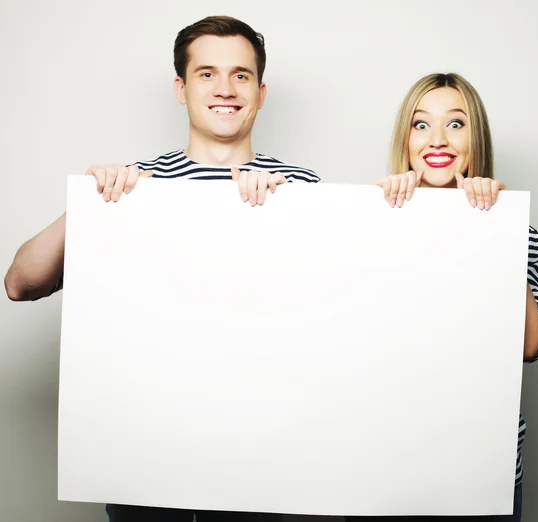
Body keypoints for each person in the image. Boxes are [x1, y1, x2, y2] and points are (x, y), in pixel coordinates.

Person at [4, 15, 319, 522]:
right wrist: (91, 203)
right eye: (206, 73)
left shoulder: (304, 189)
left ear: (260, 92)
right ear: (181, 87)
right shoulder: (134, 188)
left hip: (261, 458)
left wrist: (290, 219)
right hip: (147, 457)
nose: (225, 88)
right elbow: (21, 283)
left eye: (241, 75)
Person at [355, 73, 538, 522]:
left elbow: (533, 345)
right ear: (406, 139)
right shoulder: (369, 222)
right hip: (382, 465)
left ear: (475, 137)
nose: (438, 139)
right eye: (421, 124)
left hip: (482, 468)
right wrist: (365, 221)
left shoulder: (517, 232)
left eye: (456, 124)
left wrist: (496, 230)